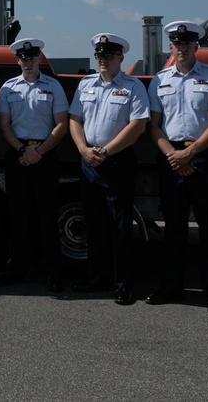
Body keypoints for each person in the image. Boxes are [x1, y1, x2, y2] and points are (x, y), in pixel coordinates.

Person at [147, 22, 208, 316]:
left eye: (188, 43)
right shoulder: (158, 80)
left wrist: (190, 154)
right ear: (170, 46)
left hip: (205, 158)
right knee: (173, 229)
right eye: (177, 43)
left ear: (197, 46)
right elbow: (154, 126)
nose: (182, 47)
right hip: (171, 158)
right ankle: (170, 288)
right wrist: (174, 155)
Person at [68, 33, 149, 305]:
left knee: (120, 225)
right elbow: (75, 119)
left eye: (109, 56)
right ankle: (97, 276)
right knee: (94, 224)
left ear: (121, 58)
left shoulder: (133, 86)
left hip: (117, 161)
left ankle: (123, 282)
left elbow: (137, 126)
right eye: (100, 56)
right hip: (89, 160)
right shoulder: (86, 85)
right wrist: (83, 150)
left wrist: (105, 151)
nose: (103, 60)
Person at [0, 38, 70, 293]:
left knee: (47, 216)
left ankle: (52, 272)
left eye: (32, 58)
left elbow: (61, 124)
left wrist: (38, 151)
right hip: (17, 155)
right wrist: (23, 150)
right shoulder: (8, 88)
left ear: (40, 59)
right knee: (18, 215)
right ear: (18, 60)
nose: (28, 62)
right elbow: (3, 125)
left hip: (45, 156)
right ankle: (17, 268)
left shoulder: (53, 86)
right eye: (23, 58)